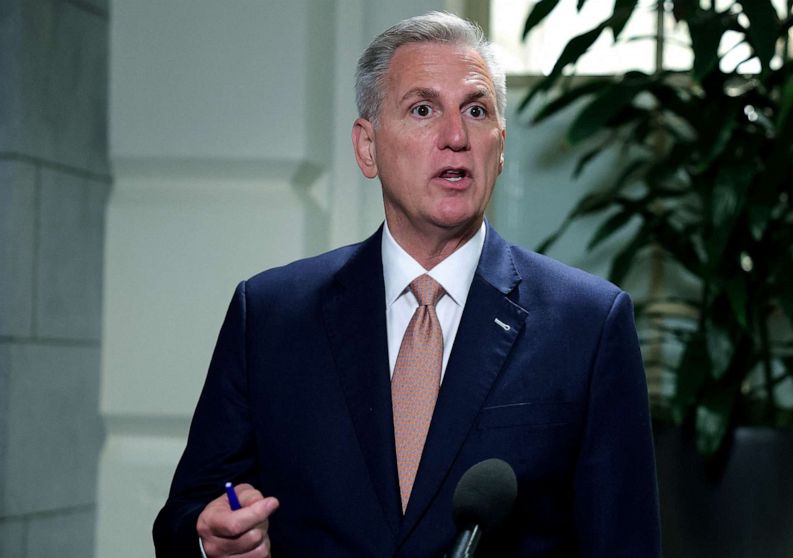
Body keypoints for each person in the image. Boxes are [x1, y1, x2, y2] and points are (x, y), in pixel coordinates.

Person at [153, 11, 660, 558]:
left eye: (476, 110)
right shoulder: (271, 316)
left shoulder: (587, 322)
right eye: (423, 109)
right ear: (367, 148)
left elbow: (625, 542)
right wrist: (211, 542)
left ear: (501, 145)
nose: (456, 137)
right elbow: (186, 518)